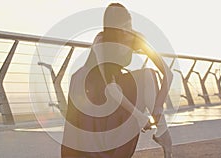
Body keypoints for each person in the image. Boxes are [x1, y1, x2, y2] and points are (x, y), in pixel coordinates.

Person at [61, 3, 173, 158]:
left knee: (148, 75)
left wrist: (158, 108)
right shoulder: (101, 41)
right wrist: (140, 117)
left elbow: (168, 74)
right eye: (119, 26)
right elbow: (110, 88)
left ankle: (163, 135)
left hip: (115, 84)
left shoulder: (137, 38)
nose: (125, 30)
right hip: (91, 87)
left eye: (128, 25)